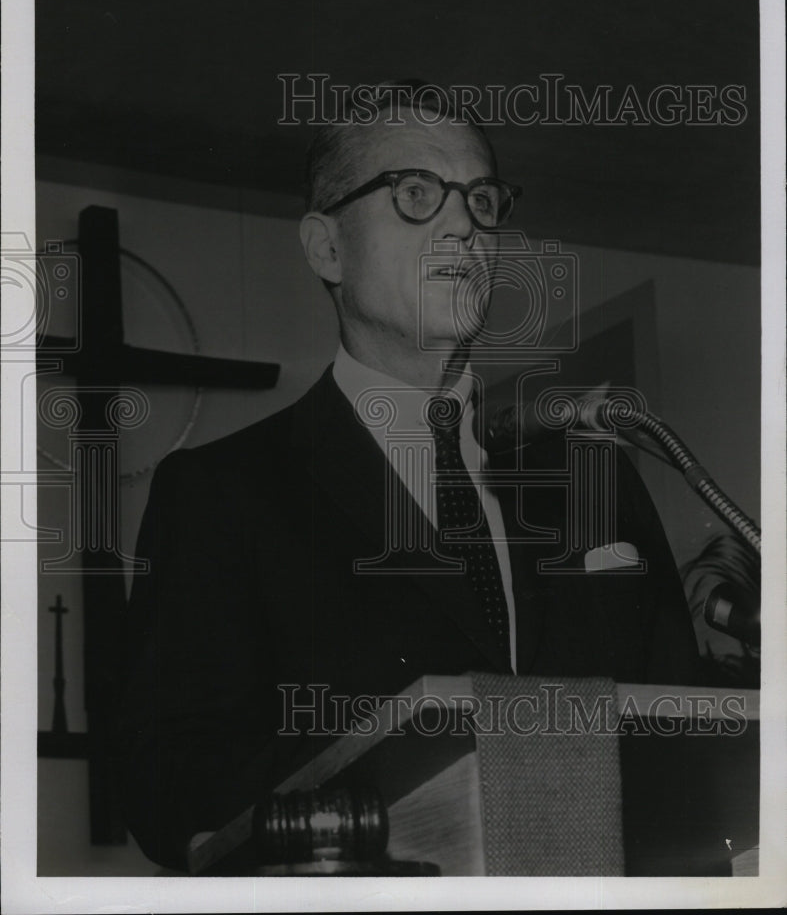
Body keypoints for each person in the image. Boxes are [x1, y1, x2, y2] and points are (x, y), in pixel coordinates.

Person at [116, 83, 700, 870]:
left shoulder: (593, 475)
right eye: (417, 194)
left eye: (482, 200)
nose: (464, 225)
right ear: (327, 247)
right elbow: (169, 780)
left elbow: (687, 728)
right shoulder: (223, 494)